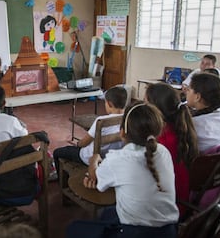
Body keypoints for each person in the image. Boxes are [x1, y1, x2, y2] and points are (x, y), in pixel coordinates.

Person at [67, 102, 179, 237]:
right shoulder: (163, 151)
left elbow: (93, 174)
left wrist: (94, 160)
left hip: (135, 233)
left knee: (74, 229)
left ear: (121, 133)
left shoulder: (118, 159)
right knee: (108, 213)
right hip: (169, 230)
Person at [145, 83, 198, 216]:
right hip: (178, 199)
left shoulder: (161, 139)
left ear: (155, 109)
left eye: (145, 104)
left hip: (166, 207)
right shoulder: (180, 127)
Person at [53, 86, 127, 174]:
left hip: (91, 159)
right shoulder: (130, 119)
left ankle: (62, 181)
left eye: (105, 103)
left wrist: (78, 144)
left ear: (110, 104)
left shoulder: (101, 121)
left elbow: (84, 143)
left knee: (57, 152)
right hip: (114, 159)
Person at [185, 72, 220, 152]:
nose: (186, 91)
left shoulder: (193, 123)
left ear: (197, 97)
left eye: (188, 89)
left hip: (197, 163)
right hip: (218, 162)